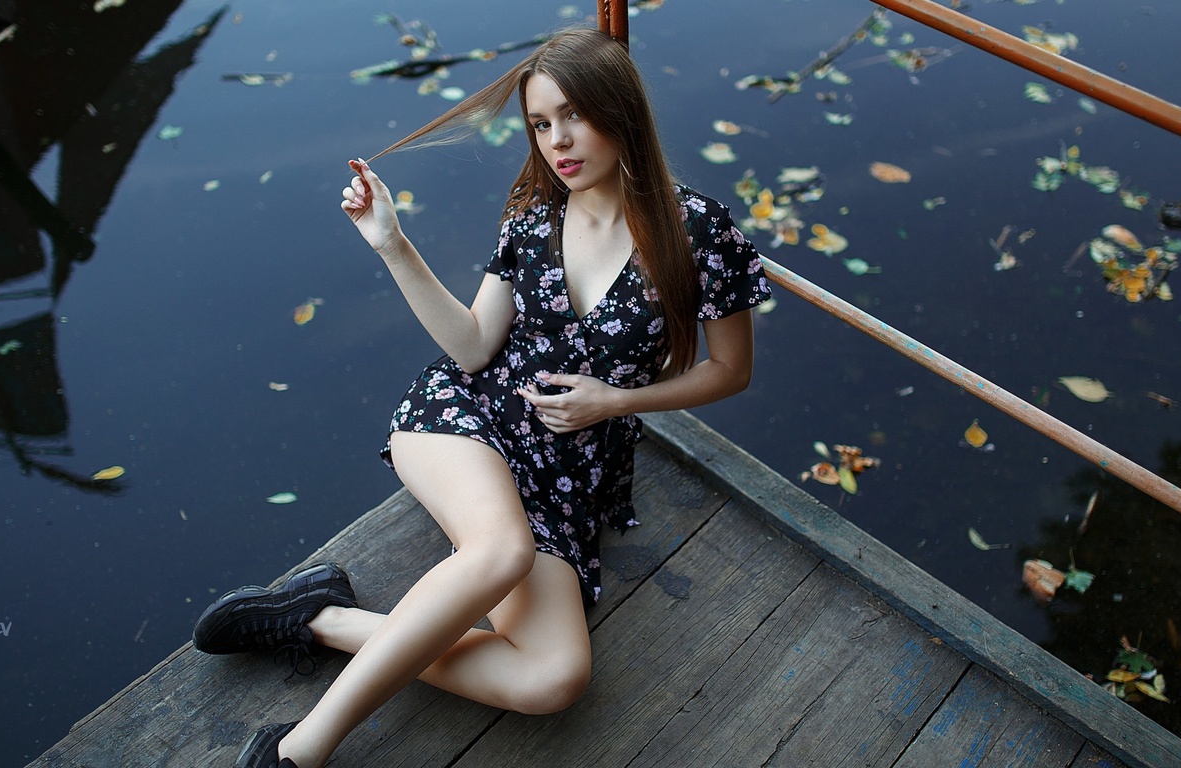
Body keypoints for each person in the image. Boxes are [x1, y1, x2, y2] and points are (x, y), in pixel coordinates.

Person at [191, 25, 770, 768]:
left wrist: (612, 402)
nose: (557, 142)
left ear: (620, 112)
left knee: (554, 678)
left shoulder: (698, 233)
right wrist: (391, 242)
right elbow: (470, 346)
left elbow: (730, 370)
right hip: (467, 419)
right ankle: (297, 751)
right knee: (500, 552)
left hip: (567, 476)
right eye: (539, 122)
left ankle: (318, 620)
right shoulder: (535, 214)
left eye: (574, 115)